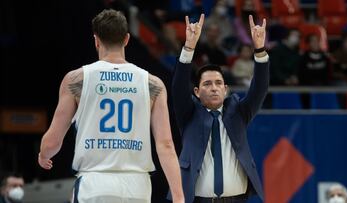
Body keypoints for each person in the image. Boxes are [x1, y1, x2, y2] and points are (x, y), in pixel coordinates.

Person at [38, 9, 184, 203]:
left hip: (94, 183)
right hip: (137, 187)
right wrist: (179, 196)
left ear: (96, 40)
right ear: (126, 39)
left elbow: (52, 142)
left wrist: (43, 154)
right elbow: (165, 145)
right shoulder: (153, 83)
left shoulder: (76, 79)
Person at [169, 14, 269, 202]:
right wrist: (189, 47)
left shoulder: (239, 112)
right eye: (207, 84)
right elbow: (178, 87)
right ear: (197, 92)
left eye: (218, 83)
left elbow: (260, 88)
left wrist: (260, 50)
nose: (214, 88)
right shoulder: (188, 114)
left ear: (225, 89)